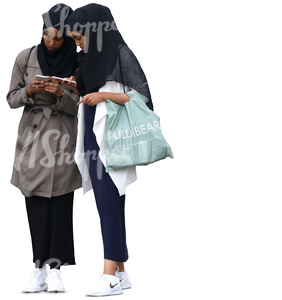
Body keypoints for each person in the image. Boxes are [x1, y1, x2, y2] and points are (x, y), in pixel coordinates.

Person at [64, 3, 153, 297]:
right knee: (111, 204)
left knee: (108, 204)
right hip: (92, 134)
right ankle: (122, 273)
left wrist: (103, 94)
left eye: (79, 38)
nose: (77, 44)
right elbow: (88, 87)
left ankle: (108, 277)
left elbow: (141, 98)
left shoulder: (119, 53)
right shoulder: (89, 58)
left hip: (113, 137)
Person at [6, 3, 81, 293]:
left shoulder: (79, 62)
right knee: (35, 202)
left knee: (61, 203)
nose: (51, 43)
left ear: (66, 36)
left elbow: (82, 105)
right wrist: (30, 90)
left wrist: (61, 94)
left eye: (57, 38)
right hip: (33, 139)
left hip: (61, 137)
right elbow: (11, 98)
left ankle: (56, 270)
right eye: (46, 36)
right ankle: (37, 268)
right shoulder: (26, 57)